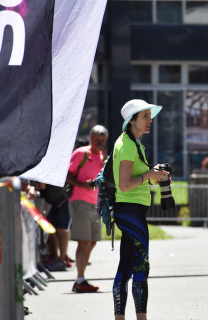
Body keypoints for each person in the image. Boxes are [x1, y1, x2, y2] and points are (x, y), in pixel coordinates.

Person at [112, 99, 169, 320]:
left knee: (125, 267)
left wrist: (154, 176)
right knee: (141, 267)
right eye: (144, 116)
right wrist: (148, 175)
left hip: (131, 210)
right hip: (130, 211)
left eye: (149, 115)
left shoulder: (133, 143)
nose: (150, 120)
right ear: (131, 121)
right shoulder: (127, 143)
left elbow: (136, 180)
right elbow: (125, 184)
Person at [66, 124, 109, 293]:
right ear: (91, 138)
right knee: (83, 241)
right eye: (98, 139)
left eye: (103, 140)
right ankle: (80, 279)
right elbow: (67, 174)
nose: (100, 143)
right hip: (80, 202)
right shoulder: (81, 154)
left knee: (92, 241)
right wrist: (82, 185)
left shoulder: (102, 156)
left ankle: (81, 278)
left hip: (96, 204)